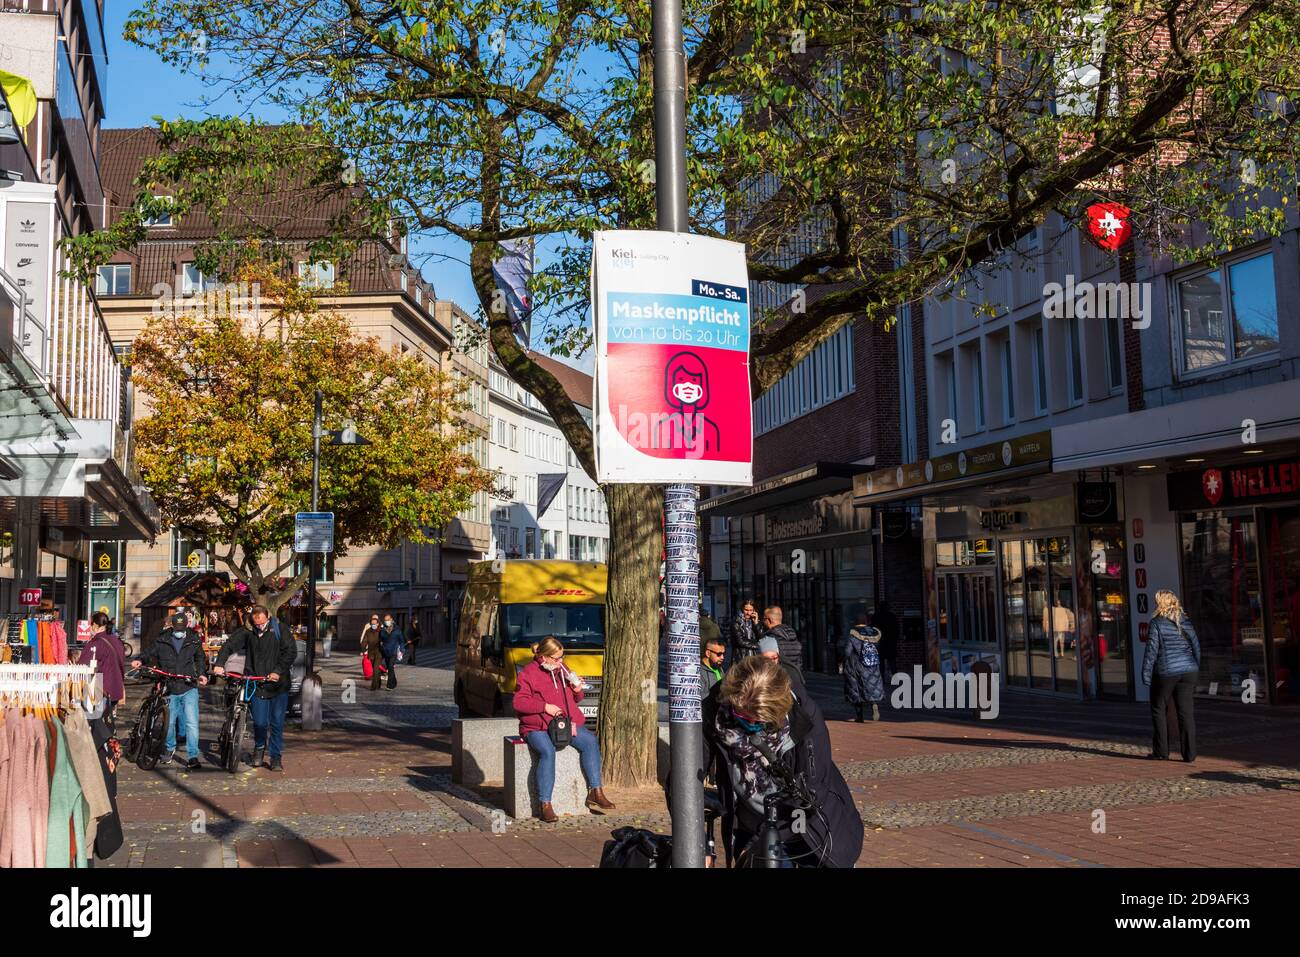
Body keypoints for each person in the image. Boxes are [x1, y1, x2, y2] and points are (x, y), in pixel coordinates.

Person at [703, 656, 863, 868]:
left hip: (811, 828)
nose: (749, 725)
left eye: (758, 721)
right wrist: (700, 845)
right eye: (742, 716)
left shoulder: (804, 714)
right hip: (752, 824)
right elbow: (681, 781)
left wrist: (760, 840)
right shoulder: (715, 710)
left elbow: (813, 791)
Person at [513, 636, 615, 823]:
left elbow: (574, 700)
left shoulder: (562, 670)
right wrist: (544, 707)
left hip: (564, 724)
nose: (561, 661)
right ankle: (545, 805)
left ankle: (596, 791)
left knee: (590, 741)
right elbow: (519, 702)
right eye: (557, 658)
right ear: (544, 657)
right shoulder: (528, 673)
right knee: (547, 751)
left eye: (562, 657)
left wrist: (577, 689)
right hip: (537, 726)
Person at [213, 605, 297, 771]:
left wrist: (277, 671)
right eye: (256, 623)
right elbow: (229, 645)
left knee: (277, 723)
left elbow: (290, 652)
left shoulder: (280, 629)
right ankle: (259, 749)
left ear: (268, 617)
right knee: (259, 722)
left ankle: (275, 757)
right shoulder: (248, 631)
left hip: (278, 685)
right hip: (256, 683)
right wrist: (219, 663)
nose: (259, 627)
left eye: (262, 623)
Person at [131, 611, 208, 770]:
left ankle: (193, 756)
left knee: (191, 723)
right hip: (170, 685)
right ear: (172, 625)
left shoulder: (193, 639)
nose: (179, 631)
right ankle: (169, 747)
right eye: (176, 627)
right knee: (170, 721)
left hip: (188, 686)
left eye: (182, 627)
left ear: (187, 625)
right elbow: (149, 651)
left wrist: (201, 674)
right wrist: (139, 660)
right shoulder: (162, 638)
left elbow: (200, 658)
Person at [1142, 589, 1201, 762]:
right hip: (1188, 671)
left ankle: (1161, 751)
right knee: (1186, 712)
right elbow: (1196, 646)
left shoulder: (1156, 623)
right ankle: (1189, 754)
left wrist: (1146, 675)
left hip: (1166, 671)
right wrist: (1195, 665)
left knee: (1159, 708)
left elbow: (1151, 652)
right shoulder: (1185, 622)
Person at [79, 611, 127, 725]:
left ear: (95, 625)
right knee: (109, 722)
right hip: (116, 686)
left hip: (100, 687)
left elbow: (82, 666)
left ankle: (101, 742)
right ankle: (110, 741)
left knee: (97, 724)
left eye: (91, 625)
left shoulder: (95, 643)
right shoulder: (116, 640)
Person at [842, 616, 885, 722]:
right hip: (872, 665)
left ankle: (859, 716)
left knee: (856, 689)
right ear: (866, 622)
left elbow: (847, 652)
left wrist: (844, 661)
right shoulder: (874, 633)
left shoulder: (853, 635)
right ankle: (874, 705)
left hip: (856, 665)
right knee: (872, 686)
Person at [762, 606, 803, 672]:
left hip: (780, 678)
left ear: (769, 620)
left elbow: (767, 665)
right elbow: (799, 661)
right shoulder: (793, 635)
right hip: (796, 677)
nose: (763, 622)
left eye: (763, 619)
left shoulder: (770, 638)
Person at [873, 601, 900, 679]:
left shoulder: (876, 616)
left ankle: (882, 679)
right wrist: (895, 639)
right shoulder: (892, 616)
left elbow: (874, 629)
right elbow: (896, 629)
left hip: (880, 642)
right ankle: (895, 678)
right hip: (891, 642)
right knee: (892, 662)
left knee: (881, 662)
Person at [359, 614, 385, 690]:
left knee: (376, 669)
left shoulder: (381, 631)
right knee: (375, 669)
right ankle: (378, 682)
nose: (373, 625)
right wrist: (364, 650)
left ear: (378, 623)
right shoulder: (368, 631)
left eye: (375, 624)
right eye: (372, 624)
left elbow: (385, 640)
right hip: (371, 653)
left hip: (379, 652)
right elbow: (364, 641)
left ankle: (373, 686)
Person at [379, 615, 405, 689]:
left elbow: (401, 641)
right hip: (386, 651)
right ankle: (394, 682)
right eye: (385, 620)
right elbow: (380, 640)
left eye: (388, 620)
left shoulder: (397, 629)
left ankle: (390, 685)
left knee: (390, 666)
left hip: (393, 651)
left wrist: (402, 649)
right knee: (389, 668)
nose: (386, 621)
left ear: (391, 620)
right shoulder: (382, 630)